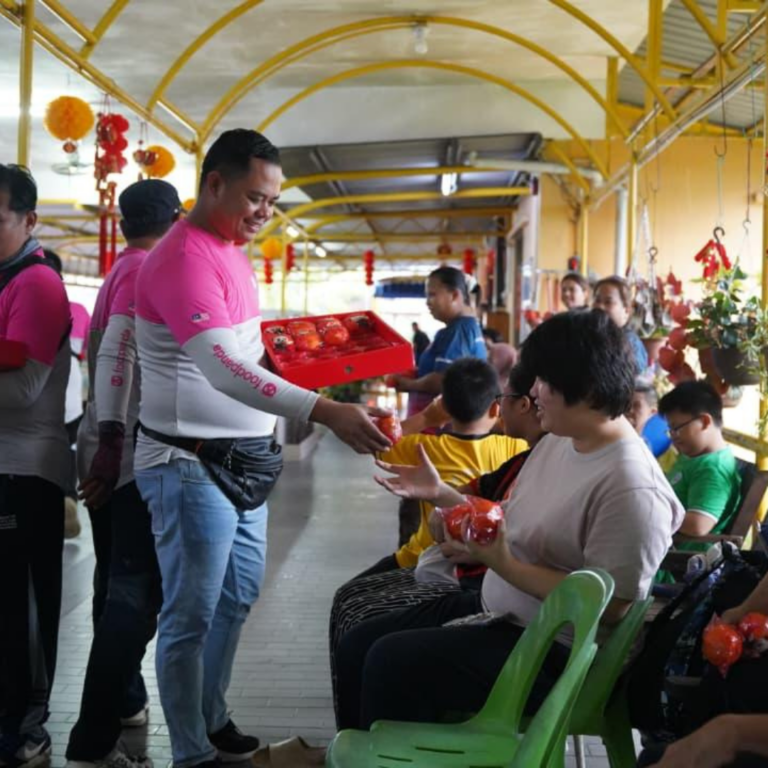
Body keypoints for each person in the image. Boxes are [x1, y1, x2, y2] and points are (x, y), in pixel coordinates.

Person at [132, 129, 391, 768]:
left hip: (245, 462)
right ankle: (190, 752)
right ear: (214, 183)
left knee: (237, 596)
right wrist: (324, 408)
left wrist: (314, 354)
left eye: (272, 202)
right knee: (190, 615)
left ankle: (211, 716)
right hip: (190, 463)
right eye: (255, 198)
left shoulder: (231, 251)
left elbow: (248, 350)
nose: (264, 213)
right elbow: (222, 368)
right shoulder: (183, 259)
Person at [333, 309, 684, 731]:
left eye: (544, 382)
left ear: (588, 391)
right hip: (503, 613)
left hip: (554, 653)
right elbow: (508, 520)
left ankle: (389, 754)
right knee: (358, 642)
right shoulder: (561, 441)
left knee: (389, 661)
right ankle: (354, 752)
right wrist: (443, 494)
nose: (533, 392)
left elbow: (610, 606)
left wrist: (502, 564)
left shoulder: (631, 486)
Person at [329, 361, 546, 702]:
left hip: (422, 561)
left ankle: (352, 700)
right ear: (495, 408)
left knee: (349, 600)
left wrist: (428, 417)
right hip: (472, 576)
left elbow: (380, 441)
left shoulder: (422, 448)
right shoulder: (514, 451)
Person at [64, 180, 183, 768]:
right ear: (176, 219)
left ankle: (127, 700)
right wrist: (116, 448)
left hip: (107, 445)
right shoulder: (144, 273)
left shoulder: (118, 270)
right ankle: (96, 731)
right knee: (136, 595)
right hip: (129, 455)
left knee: (114, 584)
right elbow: (124, 364)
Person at [0, 165, 71, 767]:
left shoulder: (37, 284)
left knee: (18, 611)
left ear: (29, 220)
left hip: (24, 472)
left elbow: (24, 389)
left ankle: (26, 728)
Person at [389, 266, 486, 416]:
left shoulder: (457, 331)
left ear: (454, 295)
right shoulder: (466, 327)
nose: (427, 302)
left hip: (438, 423)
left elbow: (443, 380)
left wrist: (409, 384)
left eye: (432, 295)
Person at [44, 249, 91, 539]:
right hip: (70, 382)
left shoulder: (14, 301)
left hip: (30, 381)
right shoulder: (80, 311)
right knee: (68, 445)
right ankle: (67, 498)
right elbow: (86, 352)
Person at [658, 380, 741, 542]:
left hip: (680, 555)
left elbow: (698, 525)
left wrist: (649, 511)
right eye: (670, 430)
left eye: (676, 428)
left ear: (704, 422)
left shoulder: (713, 469)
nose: (673, 436)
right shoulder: (694, 456)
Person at [593, 276, 649, 373]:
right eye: (597, 300)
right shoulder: (592, 336)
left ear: (626, 311)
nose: (600, 306)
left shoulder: (630, 343)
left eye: (608, 302)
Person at [629, 380, 677, 473]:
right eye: (626, 404)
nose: (629, 410)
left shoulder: (661, 454)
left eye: (636, 406)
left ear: (652, 412)